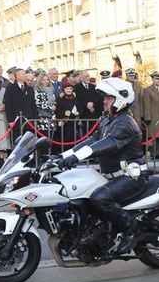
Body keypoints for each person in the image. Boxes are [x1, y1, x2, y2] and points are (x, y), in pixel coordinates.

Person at [57, 78, 147, 254]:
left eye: (108, 98)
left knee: (100, 198)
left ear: (121, 99)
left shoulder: (125, 123)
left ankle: (132, 230)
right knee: (84, 196)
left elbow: (107, 144)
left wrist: (75, 158)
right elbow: (92, 140)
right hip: (114, 176)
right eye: (105, 97)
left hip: (131, 177)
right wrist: (63, 155)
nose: (104, 101)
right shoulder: (108, 120)